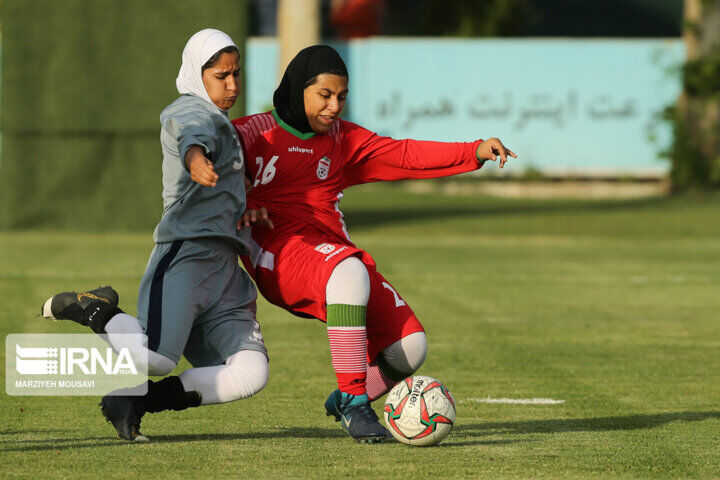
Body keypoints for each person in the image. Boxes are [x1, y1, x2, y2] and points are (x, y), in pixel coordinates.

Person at [232, 45, 516, 442]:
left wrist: (474, 151)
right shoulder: (250, 132)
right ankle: (353, 402)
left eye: (342, 97)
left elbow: (406, 155)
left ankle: (348, 396)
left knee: (410, 348)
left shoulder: (343, 140)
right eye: (324, 95)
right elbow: (208, 158)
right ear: (298, 90)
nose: (334, 107)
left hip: (332, 252)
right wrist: (242, 197)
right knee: (348, 272)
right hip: (277, 252)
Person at [41, 29, 270, 442]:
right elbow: (188, 134)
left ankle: (133, 401)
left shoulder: (225, 125)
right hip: (185, 258)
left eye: (237, 73)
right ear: (197, 75)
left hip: (226, 273)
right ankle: (94, 310)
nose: (233, 84)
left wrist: (245, 208)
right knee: (157, 360)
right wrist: (195, 157)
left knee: (252, 373)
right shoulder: (189, 110)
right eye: (222, 75)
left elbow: (226, 187)